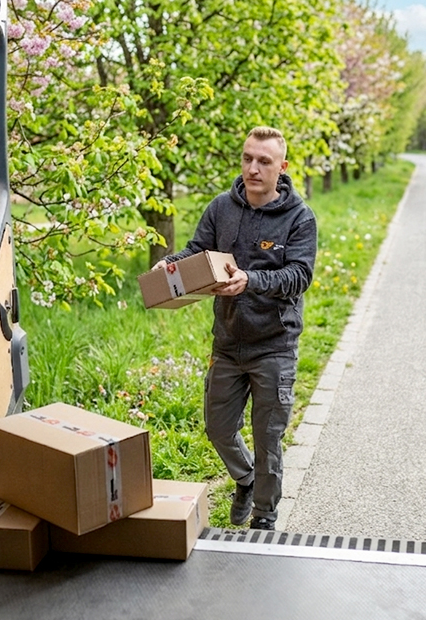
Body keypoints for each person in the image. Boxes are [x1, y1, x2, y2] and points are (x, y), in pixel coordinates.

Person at [153, 127, 317, 530]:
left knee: (268, 438)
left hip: (274, 345)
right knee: (218, 428)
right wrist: (170, 265)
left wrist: (251, 280)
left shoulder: (299, 217)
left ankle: (264, 516)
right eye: (247, 158)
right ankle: (245, 479)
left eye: (264, 161)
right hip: (227, 342)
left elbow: (300, 275)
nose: (253, 168)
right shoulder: (221, 208)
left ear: (282, 167)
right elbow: (198, 251)